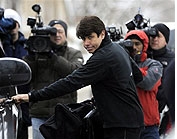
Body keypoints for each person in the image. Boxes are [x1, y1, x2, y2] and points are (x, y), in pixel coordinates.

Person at [12, 16, 144, 139]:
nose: (86, 43)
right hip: (128, 120)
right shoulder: (117, 48)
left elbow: (71, 82)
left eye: (90, 37)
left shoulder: (103, 57)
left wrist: (31, 96)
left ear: (102, 34)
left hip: (122, 124)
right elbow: (137, 77)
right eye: (83, 38)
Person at [23, 19, 84, 139]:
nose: (57, 35)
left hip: (65, 113)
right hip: (40, 113)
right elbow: (26, 74)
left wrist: (53, 57)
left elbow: (74, 73)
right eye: (53, 32)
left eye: (60, 31)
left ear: (66, 34)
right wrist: (31, 56)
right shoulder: (37, 53)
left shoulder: (74, 53)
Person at [124, 30, 163, 139]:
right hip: (128, 125)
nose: (134, 48)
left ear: (144, 45)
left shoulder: (154, 64)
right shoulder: (120, 64)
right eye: (131, 44)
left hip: (149, 126)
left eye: (137, 44)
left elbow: (148, 83)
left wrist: (128, 63)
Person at [1, 8, 31, 139]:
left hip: (23, 97)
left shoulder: (27, 45)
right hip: (4, 97)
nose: (11, 26)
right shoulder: (2, 44)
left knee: (21, 132)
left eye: (13, 22)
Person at [147, 23, 175, 135]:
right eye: (152, 36)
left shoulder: (173, 59)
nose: (155, 39)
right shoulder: (143, 57)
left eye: (159, 36)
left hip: (164, 109)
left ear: (166, 40)